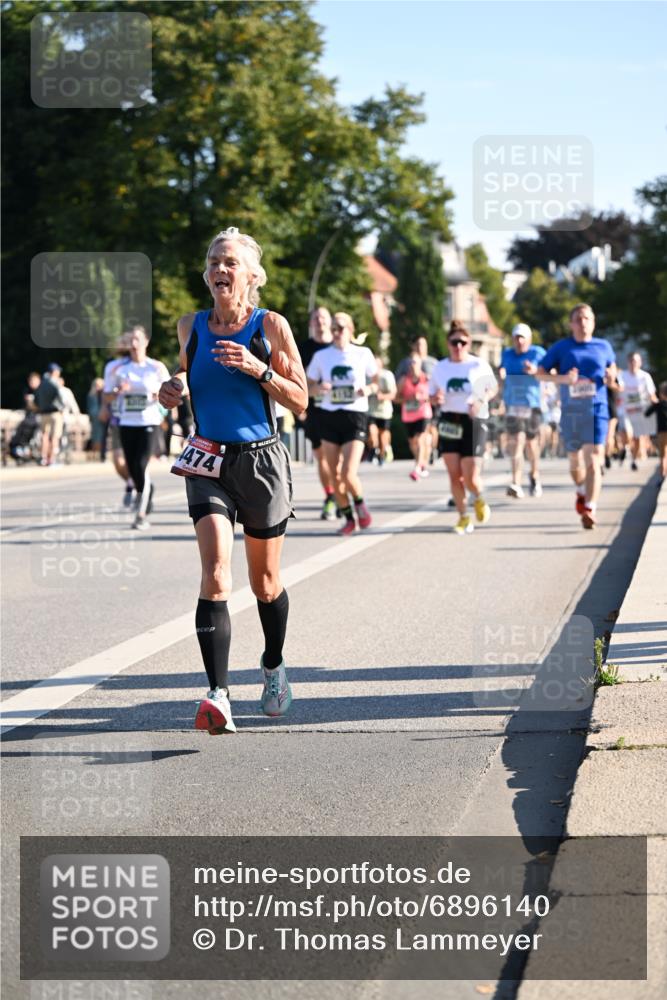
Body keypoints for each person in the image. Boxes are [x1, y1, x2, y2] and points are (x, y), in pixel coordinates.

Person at [158, 226, 307, 735]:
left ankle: (273, 665)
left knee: (265, 584)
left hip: (262, 462)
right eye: (213, 262)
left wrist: (257, 368)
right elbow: (186, 374)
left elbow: (301, 399)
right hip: (208, 461)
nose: (220, 270)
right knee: (216, 574)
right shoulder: (191, 326)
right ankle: (218, 694)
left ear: (250, 275)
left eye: (230, 263)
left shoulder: (271, 327)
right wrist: (173, 388)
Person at [537, 303, 617, 530]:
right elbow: (540, 375)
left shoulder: (604, 346)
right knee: (574, 460)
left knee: (594, 459)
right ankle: (581, 490)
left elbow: (613, 371)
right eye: (578, 319)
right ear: (571, 324)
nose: (583, 323)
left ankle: (590, 507)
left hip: (597, 409)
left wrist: (612, 377)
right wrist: (563, 380)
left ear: (593, 322)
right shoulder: (562, 348)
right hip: (571, 412)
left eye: (587, 318)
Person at [306, 311, 377, 536]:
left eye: (341, 328)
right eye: (334, 328)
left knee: (348, 473)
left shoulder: (363, 353)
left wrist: (369, 389)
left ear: (351, 330)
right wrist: (317, 389)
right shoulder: (322, 356)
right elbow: (307, 386)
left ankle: (359, 503)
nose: (336, 332)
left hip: (355, 415)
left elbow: (377, 381)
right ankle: (348, 518)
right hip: (329, 416)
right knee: (334, 474)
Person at [429, 320, 497, 534]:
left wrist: (480, 400)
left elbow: (491, 389)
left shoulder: (478, 365)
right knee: (453, 475)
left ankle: (478, 497)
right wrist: (435, 398)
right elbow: (432, 396)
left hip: (474, 421)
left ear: (468, 344)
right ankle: (463, 517)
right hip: (449, 420)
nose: (458, 346)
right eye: (454, 342)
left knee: (470, 477)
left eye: (462, 342)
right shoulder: (440, 367)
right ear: (448, 343)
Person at [106, 327, 170, 530]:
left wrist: (158, 395)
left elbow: (171, 393)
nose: (134, 344)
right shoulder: (118, 369)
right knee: (132, 468)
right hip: (127, 422)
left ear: (146, 342)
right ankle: (147, 490)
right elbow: (107, 396)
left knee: (141, 466)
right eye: (131, 340)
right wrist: (118, 391)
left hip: (148, 422)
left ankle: (141, 515)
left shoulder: (156, 368)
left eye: (137, 339)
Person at [297, 307, 337, 520]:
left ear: (329, 322)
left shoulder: (339, 346)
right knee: (321, 456)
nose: (320, 321)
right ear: (311, 323)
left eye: (323, 317)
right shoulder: (304, 349)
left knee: (338, 461)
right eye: (315, 318)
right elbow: (297, 380)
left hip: (341, 410)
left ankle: (341, 492)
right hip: (315, 408)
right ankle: (330, 496)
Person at [499, 323, 546, 498]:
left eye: (522, 337)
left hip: (532, 403)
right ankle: (516, 482)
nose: (519, 341)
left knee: (531, 445)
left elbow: (549, 372)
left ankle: (534, 475)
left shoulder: (537, 353)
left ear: (529, 339)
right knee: (516, 441)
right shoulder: (506, 354)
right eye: (516, 337)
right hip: (512, 403)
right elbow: (502, 370)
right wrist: (501, 375)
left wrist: (535, 371)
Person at [102, 332, 134, 502]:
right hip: (118, 418)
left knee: (135, 460)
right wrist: (109, 401)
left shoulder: (146, 365)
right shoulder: (112, 366)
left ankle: (138, 487)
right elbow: (106, 393)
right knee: (118, 461)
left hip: (141, 421)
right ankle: (132, 481)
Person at [619, 352, 658, 470]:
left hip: (640, 411)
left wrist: (659, 405)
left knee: (637, 438)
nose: (633, 363)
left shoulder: (645, 376)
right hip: (625, 410)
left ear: (640, 362)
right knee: (628, 432)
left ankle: (634, 460)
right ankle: (625, 448)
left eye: (635, 361)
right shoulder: (622, 375)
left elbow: (651, 395)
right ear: (628, 362)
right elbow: (617, 390)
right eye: (631, 361)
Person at [397, 353, 433, 480]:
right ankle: (421, 463)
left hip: (423, 413)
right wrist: (407, 398)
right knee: (413, 443)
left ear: (420, 365)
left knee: (420, 439)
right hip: (408, 415)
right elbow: (396, 398)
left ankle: (417, 467)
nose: (412, 365)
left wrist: (422, 398)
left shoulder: (426, 379)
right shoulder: (403, 380)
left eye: (415, 363)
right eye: (410, 363)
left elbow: (433, 397)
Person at [34, 363, 66, 466]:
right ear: (55, 372)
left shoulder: (41, 383)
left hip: (43, 413)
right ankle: (52, 459)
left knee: (45, 436)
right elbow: (60, 398)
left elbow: (35, 400)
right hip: (54, 413)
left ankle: (43, 458)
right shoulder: (54, 383)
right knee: (55, 436)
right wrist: (62, 408)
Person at [367, 354, 396, 465]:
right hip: (371, 410)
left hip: (384, 411)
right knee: (371, 431)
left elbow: (393, 393)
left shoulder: (387, 376)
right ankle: (374, 449)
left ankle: (382, 454)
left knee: (383, 436)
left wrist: (383, 396)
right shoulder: (367, 376)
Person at [644, 381, 667, 480]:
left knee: (662, 455)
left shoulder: (658, 404)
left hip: (661, 432)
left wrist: (653, 403)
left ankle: (662, 475)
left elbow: (647, 414)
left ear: (661, 393)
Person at [86, 377, 106, 459]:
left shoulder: (103, 394)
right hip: (95, 417)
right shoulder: (91, 395)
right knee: (95, 435)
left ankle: (101, 453)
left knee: (102, 435)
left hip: (103, 417)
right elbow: (90, 407)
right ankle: (95, 453)